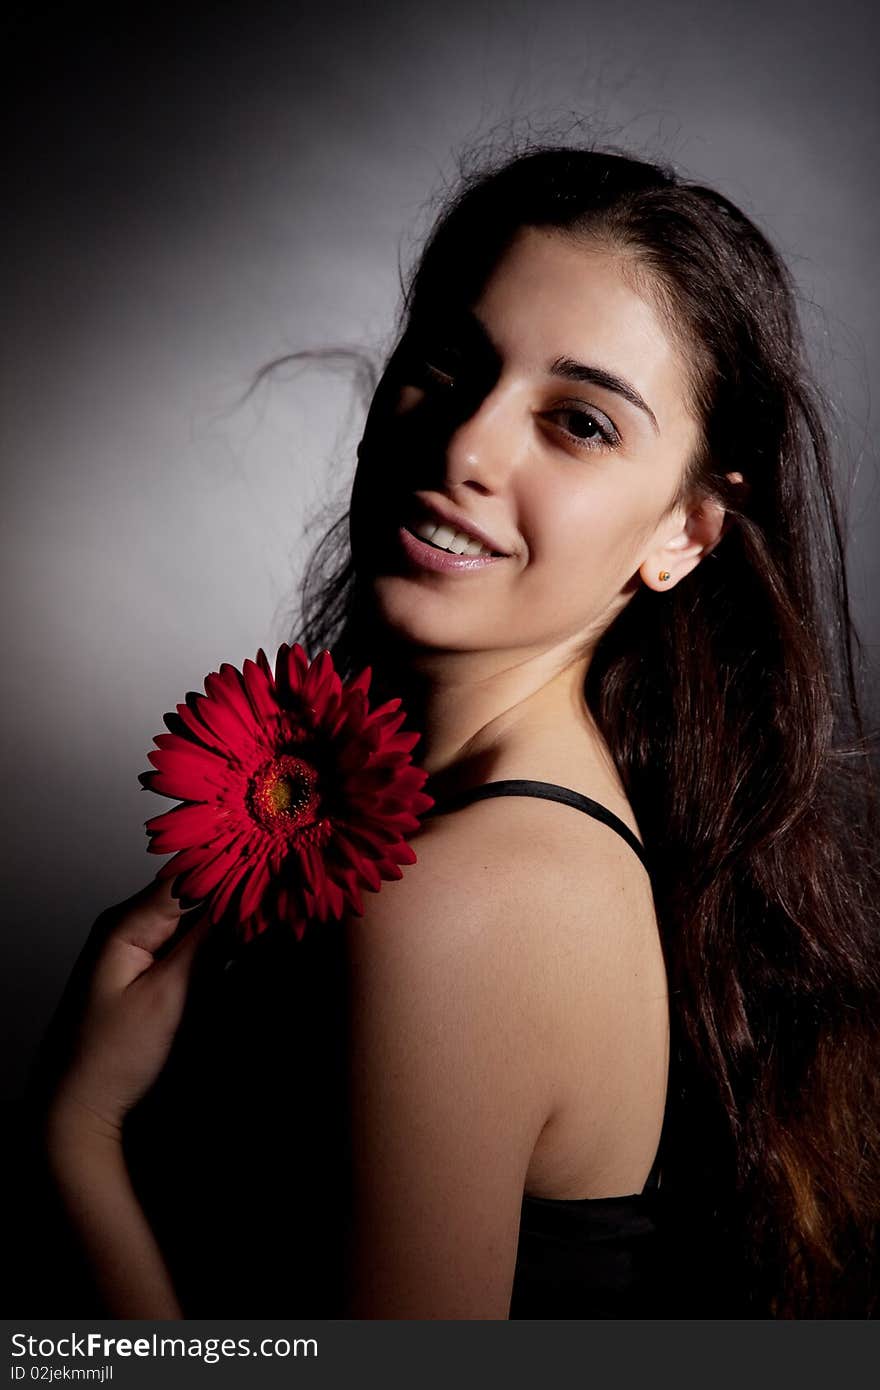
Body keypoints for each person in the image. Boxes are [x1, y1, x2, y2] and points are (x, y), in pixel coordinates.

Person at [30, 144, 880, 1320]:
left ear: (684, 532)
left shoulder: (466, 898)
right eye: (448, 365)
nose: (465, 449)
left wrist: (75, 1134)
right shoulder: (499, 836)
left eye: (578, 422)